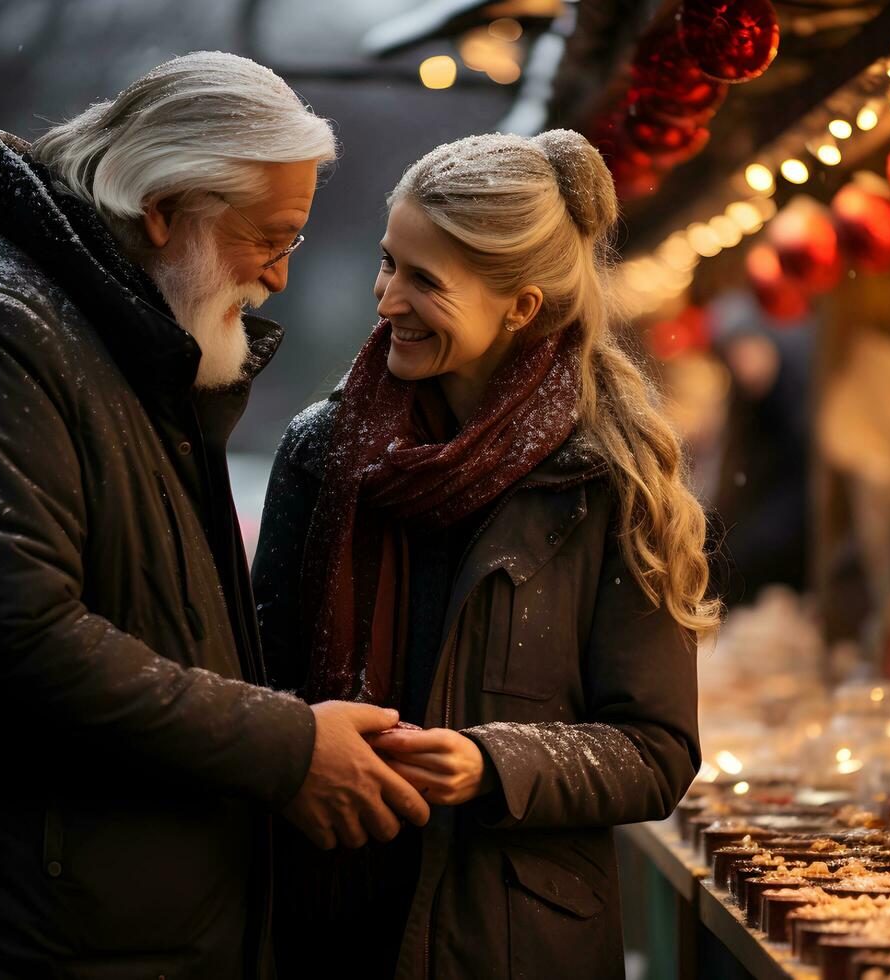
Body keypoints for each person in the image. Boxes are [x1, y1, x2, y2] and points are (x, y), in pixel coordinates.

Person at [0, 51, 427, 978]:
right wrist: (288, 747)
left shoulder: (92, 323)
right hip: (24, 936)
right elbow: (13, 636)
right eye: (272, 238)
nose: (279, 277)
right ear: (164, 211)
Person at [253, 130, 712, 979]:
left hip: (510, 944)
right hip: (328, 925)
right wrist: (302, 744)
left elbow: (657, 750)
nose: (388, 300)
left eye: (426, 281)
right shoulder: (322, 453)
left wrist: (495, 763)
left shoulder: (607, 478)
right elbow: (253, 679)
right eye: (388, 263)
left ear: (522, 308)